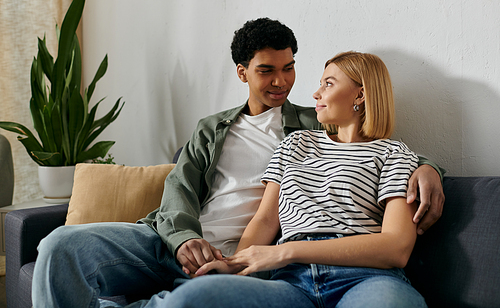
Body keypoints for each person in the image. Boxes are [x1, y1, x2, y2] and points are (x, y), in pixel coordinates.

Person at [32, 19, 443, 308]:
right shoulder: (218, 129)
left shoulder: (309, 127)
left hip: (256, 259)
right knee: (58, 247)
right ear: (243, 73)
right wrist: (185, 240)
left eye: (290, 69)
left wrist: (427, 168)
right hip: (180, 240)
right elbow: (181, 190)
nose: (282, 81)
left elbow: (378, 150)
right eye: (267, 71)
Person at [173, 51, 428, 307]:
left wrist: (285, 251)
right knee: (193, 296)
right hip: (292, 282)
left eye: (328, 84)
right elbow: (264, 220)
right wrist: (235, 265)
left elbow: (397, 247)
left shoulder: (393, 154)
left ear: (360, 95)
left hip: (365, 278)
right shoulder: (295, 144)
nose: (316, 93)